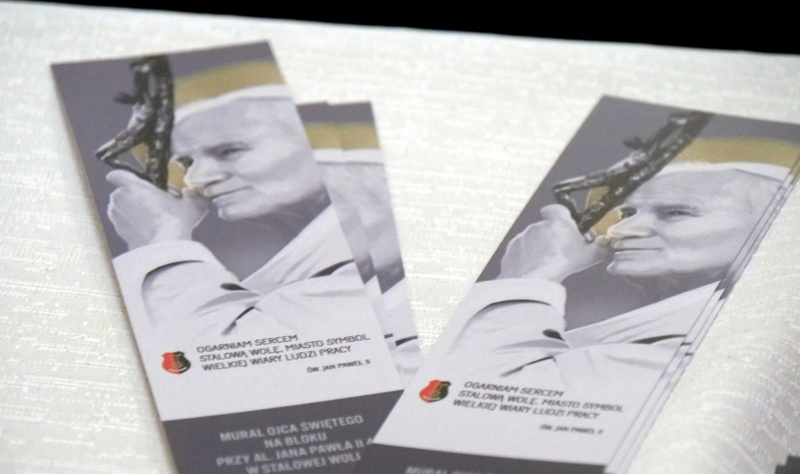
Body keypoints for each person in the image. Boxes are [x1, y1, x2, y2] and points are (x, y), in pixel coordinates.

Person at [443, 163, 786, 406]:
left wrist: (528, 279)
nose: (620, 231)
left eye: (675, 213)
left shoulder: (716, 345)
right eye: (627, 214)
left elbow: (475, 401)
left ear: (780, 228)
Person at [106, 93, 383, 345]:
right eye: (187, 162)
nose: (195, 179)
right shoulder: (328, 254)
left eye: (229, 151)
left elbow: (215, 358)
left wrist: (162, 240)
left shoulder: (370, 256)